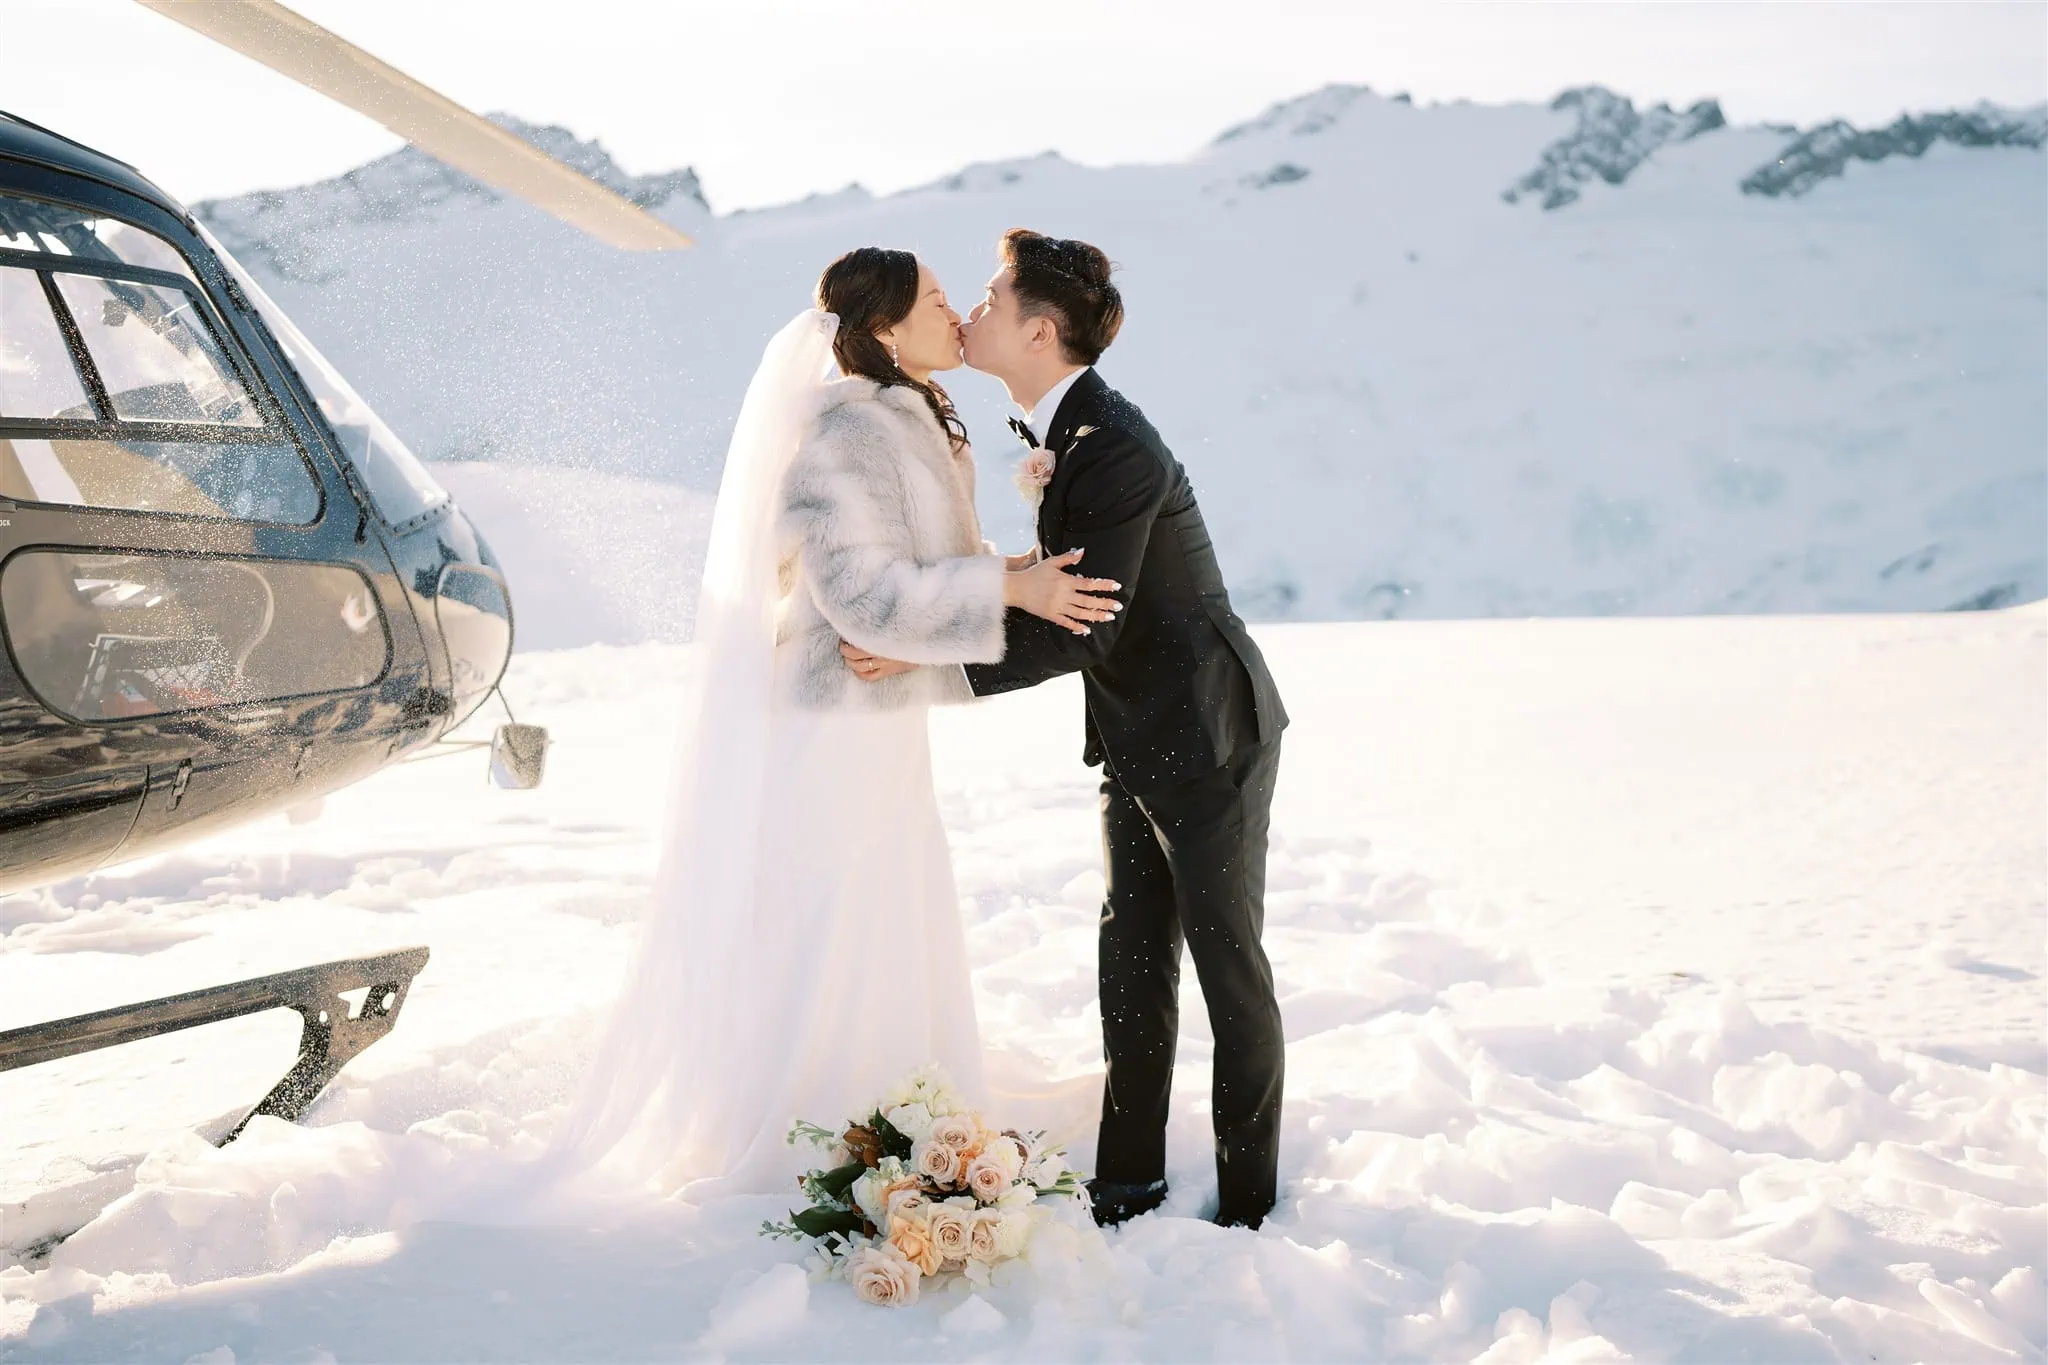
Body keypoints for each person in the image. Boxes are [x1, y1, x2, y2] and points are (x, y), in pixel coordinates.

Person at [550, 247, 1121, 1196]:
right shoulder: (848, 431)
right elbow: (861, 597)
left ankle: (900, 1106)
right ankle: (828, 1121)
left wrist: (1011, 574)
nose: (957, 314)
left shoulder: (921, 420)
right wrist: (1007, 587)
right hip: (832, 726)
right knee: (840, 916)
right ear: (889, 329)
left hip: (880, 720)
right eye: (939, 301)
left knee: (890, 907)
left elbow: (933, 565)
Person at [845, 230, 1290, 1230]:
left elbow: (1081, 627)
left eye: (993, 299)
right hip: (1135, 736)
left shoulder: (1113, 447)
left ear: (1038, 331)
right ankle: (1127, 1183)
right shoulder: (1067, 432)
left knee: (1227, 967)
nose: (972, 313)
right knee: (1130, 964)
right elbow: (1055, 597)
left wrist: (924, 660)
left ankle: (1249, 1205)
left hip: (1209, 735)